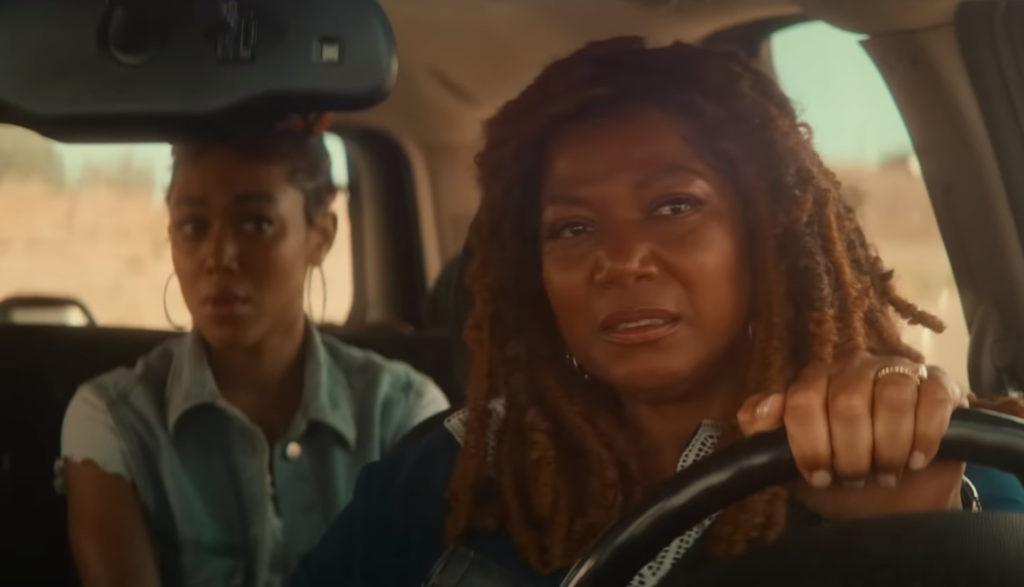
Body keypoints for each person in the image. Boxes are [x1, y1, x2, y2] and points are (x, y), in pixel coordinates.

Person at [290, 39, 1024, 587]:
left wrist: (925, 523)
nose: (620, 260)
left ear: (768, 238)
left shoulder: (935, 462)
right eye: (572, 228)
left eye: (676, 206)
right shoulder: (444, 474)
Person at [59, 115, 450, 587]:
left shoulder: (404, 412)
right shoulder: (115, 421)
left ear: (320, 235)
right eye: (192, 225)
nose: (219, 255)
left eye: (257, 224)